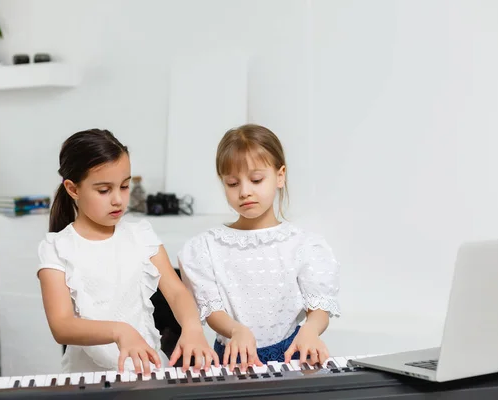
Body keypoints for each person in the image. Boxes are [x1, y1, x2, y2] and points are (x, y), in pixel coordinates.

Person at [37, 129, 218, 375]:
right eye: (104, 190)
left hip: (149, 369)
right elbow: (62, 326)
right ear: (73, 189)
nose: (118, 200)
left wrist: (193, 328)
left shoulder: (141, 235)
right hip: (89, 377)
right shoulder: (56, 248)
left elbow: (176, 292)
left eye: (124, 186)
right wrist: (120, 331)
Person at [178, 124, 340, 371]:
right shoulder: (207, 246)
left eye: (256, 180)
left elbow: (318, 307)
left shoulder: (303, 244)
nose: (244, 192)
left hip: (291, 357)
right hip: (232, 361)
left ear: (280, 176)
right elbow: (212, 310)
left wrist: (310, 329)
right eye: (232, 183)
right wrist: (236, 330)